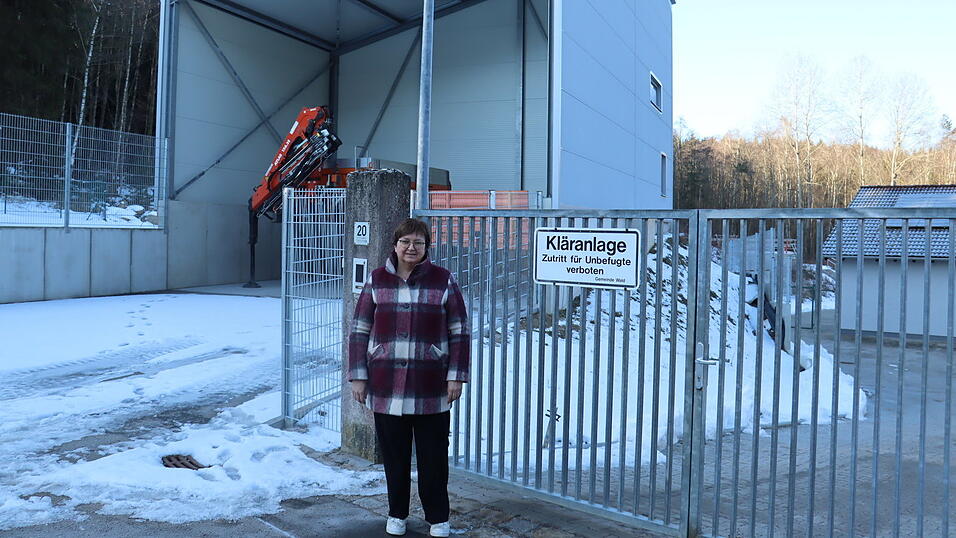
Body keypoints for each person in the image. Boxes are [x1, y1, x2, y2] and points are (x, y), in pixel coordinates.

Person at [348, 218, 470, 537]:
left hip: (430, 385)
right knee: (394, 456)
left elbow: (459, 331)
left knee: (433, 457)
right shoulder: (377, 280)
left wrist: (456, 376)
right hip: (385, 384)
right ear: (395, 245)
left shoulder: (443, 280)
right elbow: (359, 329)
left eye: (418, 242)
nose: (411, 248)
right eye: (405, 241)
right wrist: (358, 376)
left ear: (427, 247)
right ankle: (397, 513)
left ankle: (438, 518)